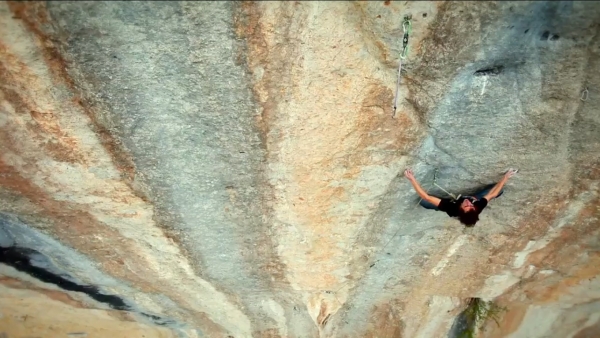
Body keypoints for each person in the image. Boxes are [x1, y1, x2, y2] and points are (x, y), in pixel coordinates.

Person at [403, 168, 518, 227]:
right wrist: (506, 177)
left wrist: (412, 179)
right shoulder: (476, 207)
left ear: (461, 209)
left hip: (451, 203)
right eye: (470, 205)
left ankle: (435, 206)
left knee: (423, 202)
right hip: (475, 197)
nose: (468, 203)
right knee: (499, 190)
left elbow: (426, 197)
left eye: (466, 205)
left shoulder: (452, 208)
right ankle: (479, 195)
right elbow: (492, 195)